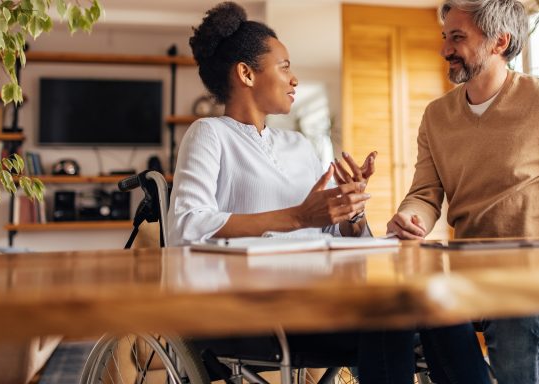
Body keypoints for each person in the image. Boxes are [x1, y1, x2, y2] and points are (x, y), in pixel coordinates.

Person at [168, 3, 490, 383]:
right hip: (251, 311)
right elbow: (185, 228)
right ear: (246, 73)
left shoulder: (299, 145)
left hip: (323, 296)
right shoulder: (210, 134)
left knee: (438, 300)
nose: (294, 79)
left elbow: (333, 236)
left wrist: (350, 212)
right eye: (284, 66)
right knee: (391, 312)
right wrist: (298, 217)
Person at [386, 0, 539, 383]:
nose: (444, 49)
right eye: (445, 36)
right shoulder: (436, 116)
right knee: (409, 310)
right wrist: (412, 217)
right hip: (471, 272)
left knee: (514, 315)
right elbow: (424, 193)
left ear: (499, 42)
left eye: (457, 37)